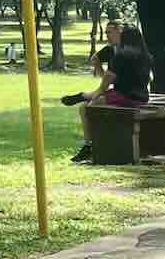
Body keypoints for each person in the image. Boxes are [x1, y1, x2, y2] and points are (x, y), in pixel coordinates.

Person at [72, 26, 153, 164]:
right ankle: (92, 146)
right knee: (90, 103)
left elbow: (105, 85)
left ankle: (90, 147)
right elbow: (149, 79)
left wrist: (93, 96)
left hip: (125, 97)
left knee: (87, 108)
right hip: (142, 99)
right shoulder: (147, 56)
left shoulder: (120, 56)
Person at [62, 20, 122, 108]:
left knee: (91, 104)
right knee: (91, 102)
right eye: (106, 33)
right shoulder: (109, 49)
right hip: (117, 89)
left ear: (119, 32)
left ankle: (83, 96)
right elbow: (95, 58)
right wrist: (103, 76)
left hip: (126, 92)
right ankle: (84, 96)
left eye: (109, 32)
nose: (107, 36)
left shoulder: (127, 51)